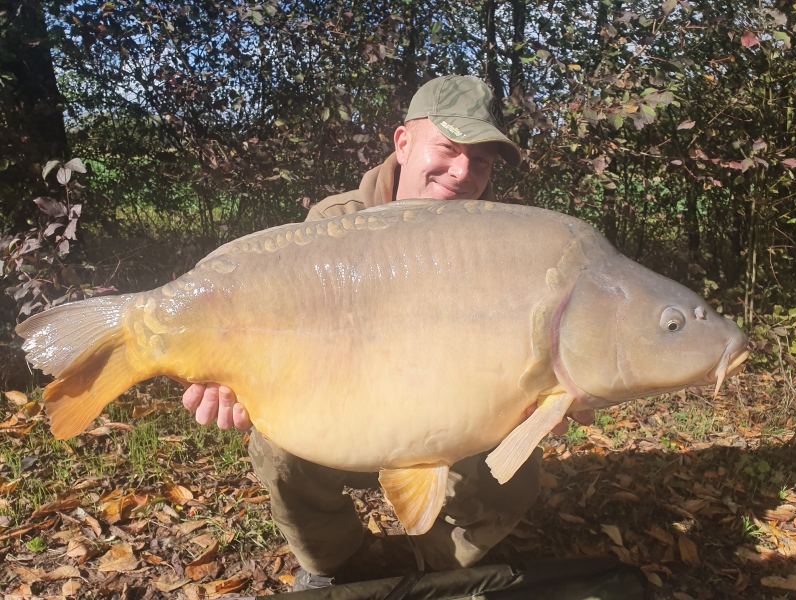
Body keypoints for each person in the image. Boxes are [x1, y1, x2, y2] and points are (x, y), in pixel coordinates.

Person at [181, 75, 594, 590]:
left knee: (518, 466)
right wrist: (227, 378)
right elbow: (276, 331)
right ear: (403, 143)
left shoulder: (504, 240)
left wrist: (542, 397)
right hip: (348, 412)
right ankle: (334, 561)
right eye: (449, 147)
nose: (464, 171)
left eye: (482, 160)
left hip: (450, 412)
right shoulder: (333, 225)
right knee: (277, 448)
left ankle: (445, 563)